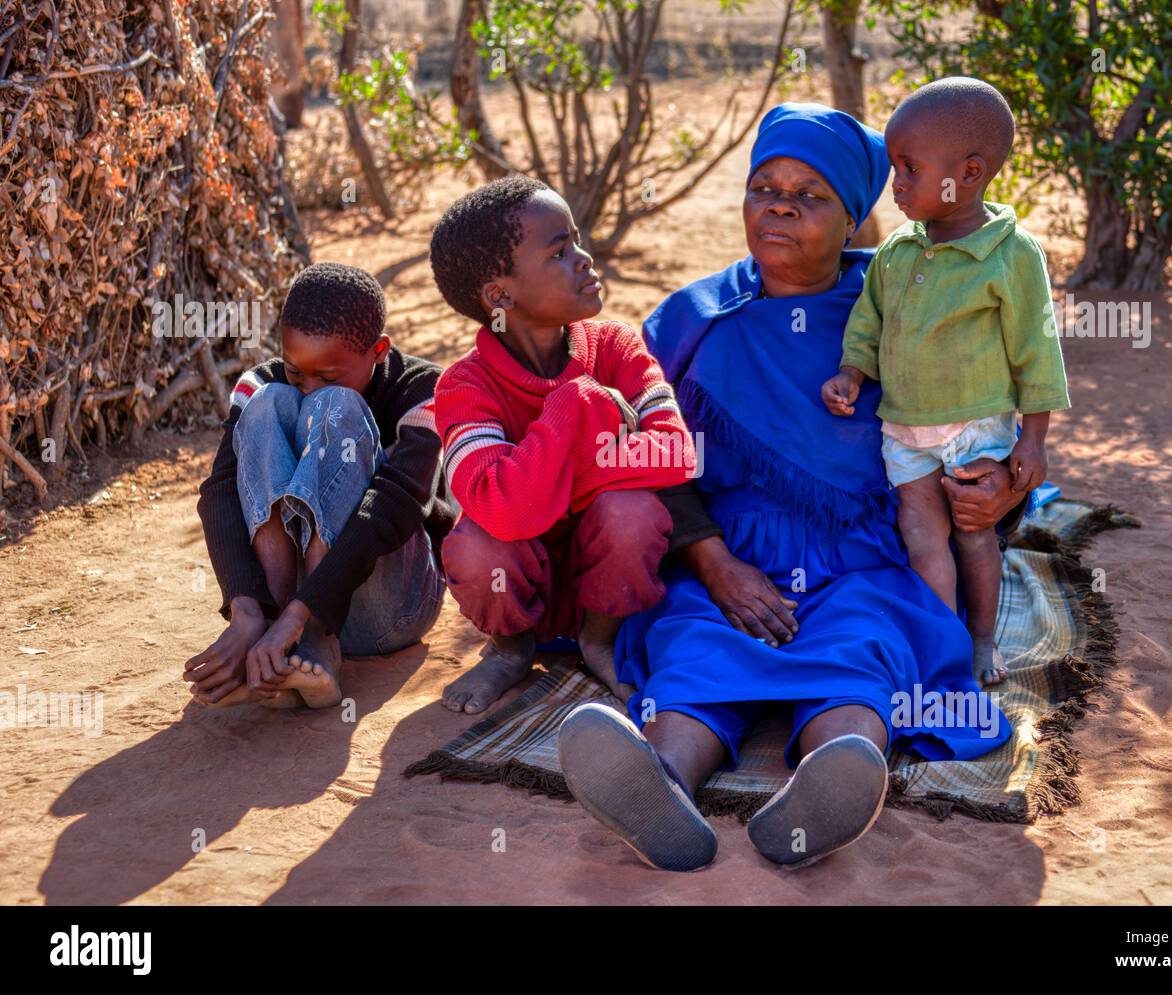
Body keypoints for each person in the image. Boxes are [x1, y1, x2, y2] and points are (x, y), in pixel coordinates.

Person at [558, 103, 1033, 872]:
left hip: (863, 554)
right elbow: (637, 453)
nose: (779, 205)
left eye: (809, 195)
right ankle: (660, 782)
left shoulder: (904, 311)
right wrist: (715, 565)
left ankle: (836, 777)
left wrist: (999, 489)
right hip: (724, 547)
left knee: (863, 644)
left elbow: (981, 418)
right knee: (694, 646)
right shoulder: (692, 320)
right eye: (763, 188)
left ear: (852, 220)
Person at [822, 77, 1070, 687]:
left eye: (909, 169)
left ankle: (983, 642)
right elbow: (869, 322)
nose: (896, 184)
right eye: (893, 168)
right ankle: (944, 643)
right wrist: (852, 372)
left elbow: (1037, 352)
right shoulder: (897, 252)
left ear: (971, 170)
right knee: (921, 533)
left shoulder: (1011, 256)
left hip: (974, 426)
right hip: (903, 428)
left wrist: (1032, 440)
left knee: (975, 532)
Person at [429, 176, 697, 714]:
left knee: (630, 513)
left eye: (576, 240)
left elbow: (675, 455)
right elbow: (502, 511)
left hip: (607, 587)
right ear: (499, 295)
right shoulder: (463, 387)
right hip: (517, 585)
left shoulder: (615, 346)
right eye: (559, 251)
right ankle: (509, 649)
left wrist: (550, 476)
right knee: (480, 544)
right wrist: (576, 404)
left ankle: (598, 641)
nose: (584, 259)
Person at [186, 263, 452, 708]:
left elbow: (395, 505)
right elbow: (221, 491)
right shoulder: (262, 384)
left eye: (327, 375)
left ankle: (316, 637)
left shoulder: (422, 389)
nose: (309, 389)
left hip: (390, 610)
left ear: (378, 351)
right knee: (269, 404)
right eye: (295, 371)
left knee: (338, 410)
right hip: (280, 611)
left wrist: (306, 612)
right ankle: (275, 648)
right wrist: (246, 608)